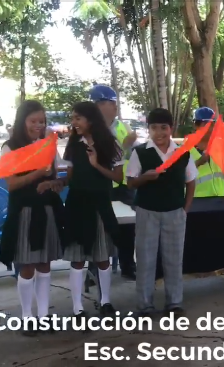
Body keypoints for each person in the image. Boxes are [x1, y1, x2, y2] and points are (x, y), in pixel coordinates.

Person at [0, 101, 64, 336]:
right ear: (22, 121)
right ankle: (27, 317)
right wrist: (38, 172)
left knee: (45, 265)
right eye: (33, 121)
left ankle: (44, 316)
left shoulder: (48, 146)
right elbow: (12, 183)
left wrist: (54, 182)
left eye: (42, 121)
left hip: (46, 209)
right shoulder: (10, 147)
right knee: (27, 267)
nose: (38, 125)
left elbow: (58, 175)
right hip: (24, 211)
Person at [126, 108, 196, 316]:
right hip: (147, 211)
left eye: (163, 127)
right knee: (146, 259)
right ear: (148, 130)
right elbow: (130, 183)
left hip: (175, 211)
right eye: (154, 128)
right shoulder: (140, 153)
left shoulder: (182, 153)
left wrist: (186, 208)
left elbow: (191, 181)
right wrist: (145, 178)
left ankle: (174, 302)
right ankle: (145, 304)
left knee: (174, 259)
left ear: (171, 128)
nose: (159, 133)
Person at [61, 101, 123, 319]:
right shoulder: (72, 145)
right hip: (78, 206)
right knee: (77, 259)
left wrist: (96, 164)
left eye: (78, 118)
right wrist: (56, 183)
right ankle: (77, 306)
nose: (74, 122)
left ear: (90, 119)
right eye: (73, 118)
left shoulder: (110, 144)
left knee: (102, 257)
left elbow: (118, 177)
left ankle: (105, 301)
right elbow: (69, 176)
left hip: (100, 206)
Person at [89, 84, 137, 280]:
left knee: (127, 229)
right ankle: (93, 269)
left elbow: (131, 155)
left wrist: (131, 145)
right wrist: (123, 146)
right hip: (100, 184)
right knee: (97, 227)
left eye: (105, 103)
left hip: (122, 185)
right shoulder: (89, 129)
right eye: (98, 103)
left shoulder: (123, 127)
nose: (105, 107)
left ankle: (128, 266)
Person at [190, 107, 224, 197]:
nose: (210, 129)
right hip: (198, 202)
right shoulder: (185, 150)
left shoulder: (221, 146)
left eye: (212, 125)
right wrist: (198, 162)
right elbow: (178, 178)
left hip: (220, 199)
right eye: (205, 124)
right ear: (196, 125)